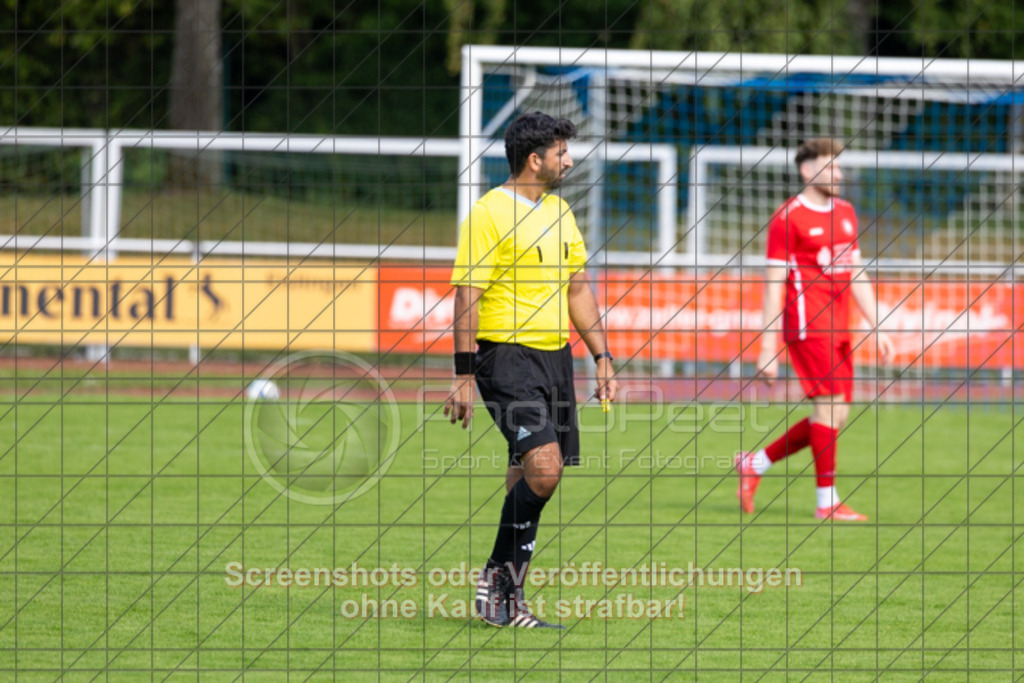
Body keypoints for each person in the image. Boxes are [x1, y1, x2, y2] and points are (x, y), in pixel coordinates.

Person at [444, 111, 618, 628]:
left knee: (526, 471)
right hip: (506, 357)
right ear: (534, 158)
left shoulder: (560, 211)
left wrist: (602, 356)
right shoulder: (488, 213)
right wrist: (464, 372)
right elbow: (466, 295)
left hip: (554, 359)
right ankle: (496, 580)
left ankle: (507, 600)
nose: (569, 159)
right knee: (545, 469)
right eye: (562, 152)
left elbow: (578, 288)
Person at [736, 138, 893, 522]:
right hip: (808, 326)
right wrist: (767, 348)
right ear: (808, 171)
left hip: (841, 327)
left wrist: (878, 324)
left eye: (840, 167)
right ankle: (827, 503)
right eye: (831, 166)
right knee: (828, 409)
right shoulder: (787, 217)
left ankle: (755, 463)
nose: (839, 173)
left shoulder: (845, 212)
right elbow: (774, 285)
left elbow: (855, 270)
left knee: (835, 417)